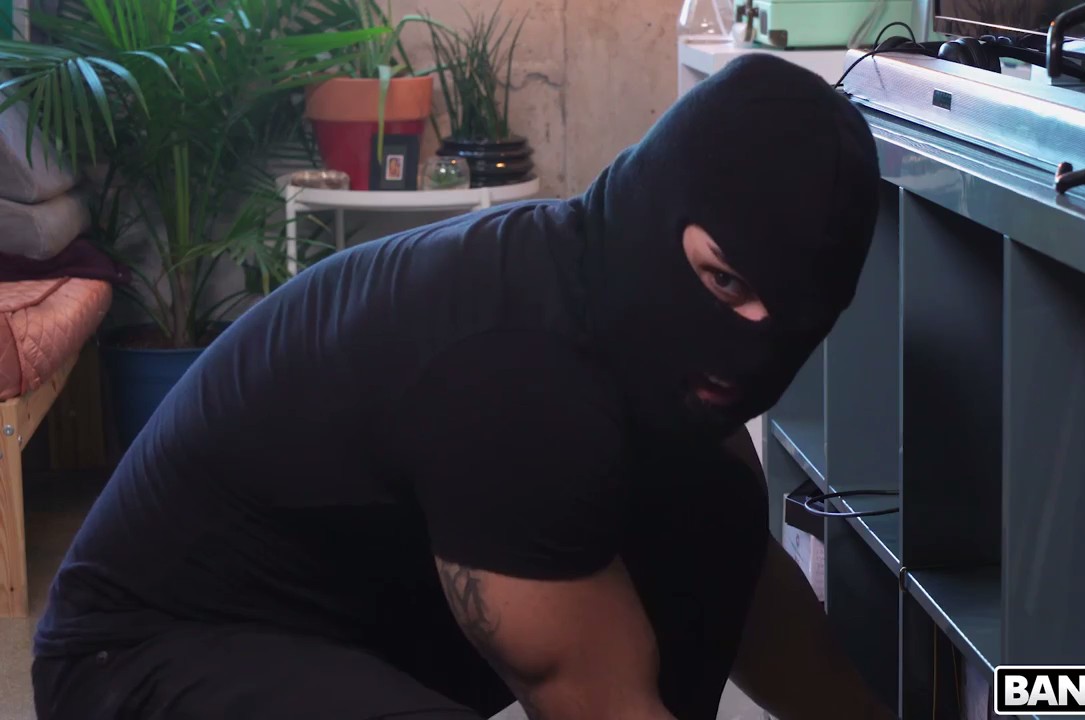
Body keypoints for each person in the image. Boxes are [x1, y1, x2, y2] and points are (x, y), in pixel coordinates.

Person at [31, 53, 892, 720]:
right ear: (656, 210)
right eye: (723, 281)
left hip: (349, 628)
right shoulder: (518, 375)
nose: (747, 344)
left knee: (711, 525)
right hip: (137, 660)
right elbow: (601, 702)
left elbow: (754, 600)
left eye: (788, 322)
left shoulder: (638, 333)